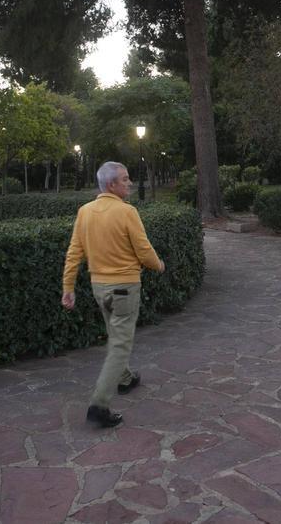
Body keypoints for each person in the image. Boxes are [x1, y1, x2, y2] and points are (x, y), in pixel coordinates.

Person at [61, 161, 165, 428]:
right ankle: (99, 404)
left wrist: (68, 287)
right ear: (111, 185)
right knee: (120, 344)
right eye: (125, 179)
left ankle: (125, 377)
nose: (129, 183)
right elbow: (143, 250)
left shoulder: (85, 212)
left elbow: (75, 252)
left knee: (115, 334)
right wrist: (159, 265)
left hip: (100, 289)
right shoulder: (127, 212)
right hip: (125, 288)